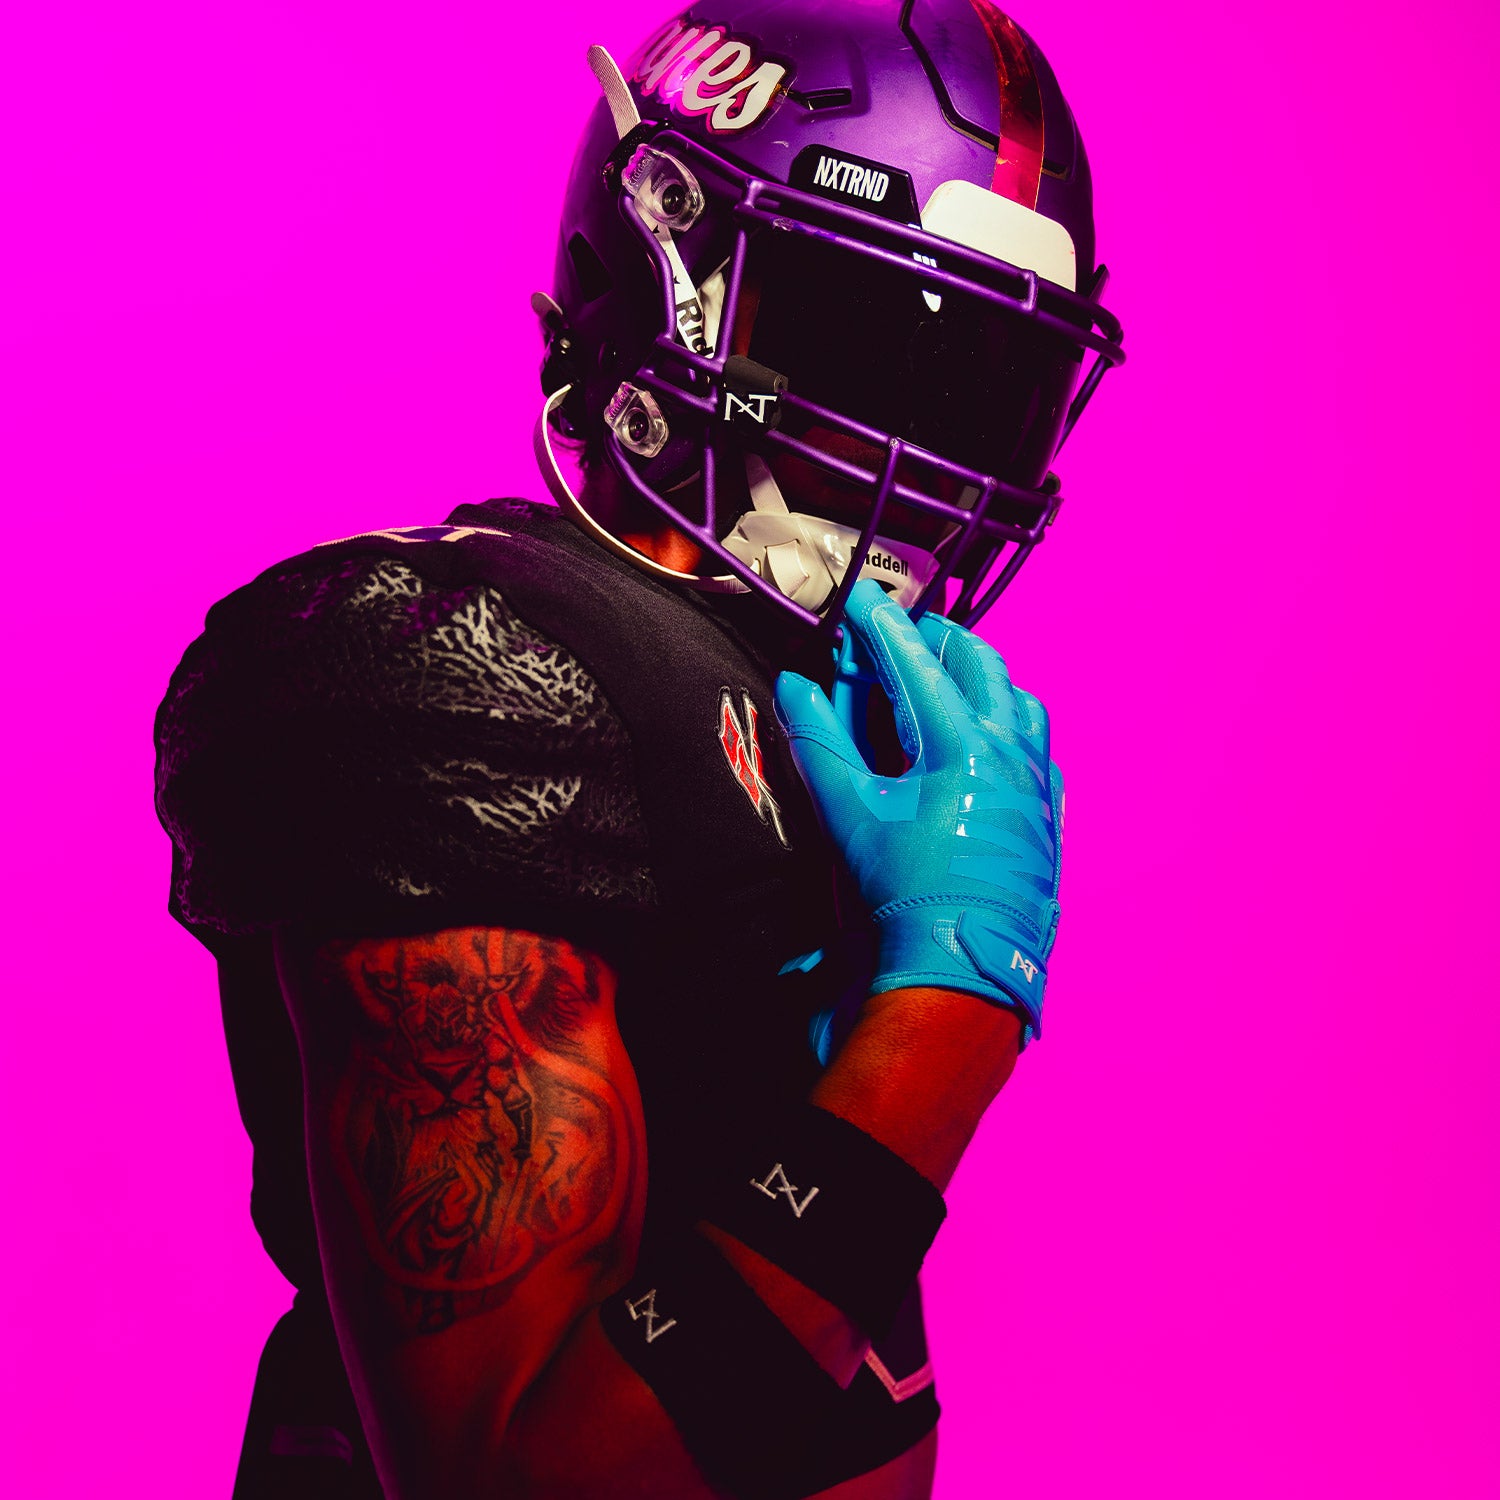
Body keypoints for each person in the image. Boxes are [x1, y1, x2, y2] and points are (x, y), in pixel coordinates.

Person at [153, 3, 1124, 1496]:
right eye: (864, 338)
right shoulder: (466, 663)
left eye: (982, 385)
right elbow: (514, 1483)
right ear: (661, 272)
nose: (919, 448)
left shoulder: (810, 725)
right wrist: (948, 1011)